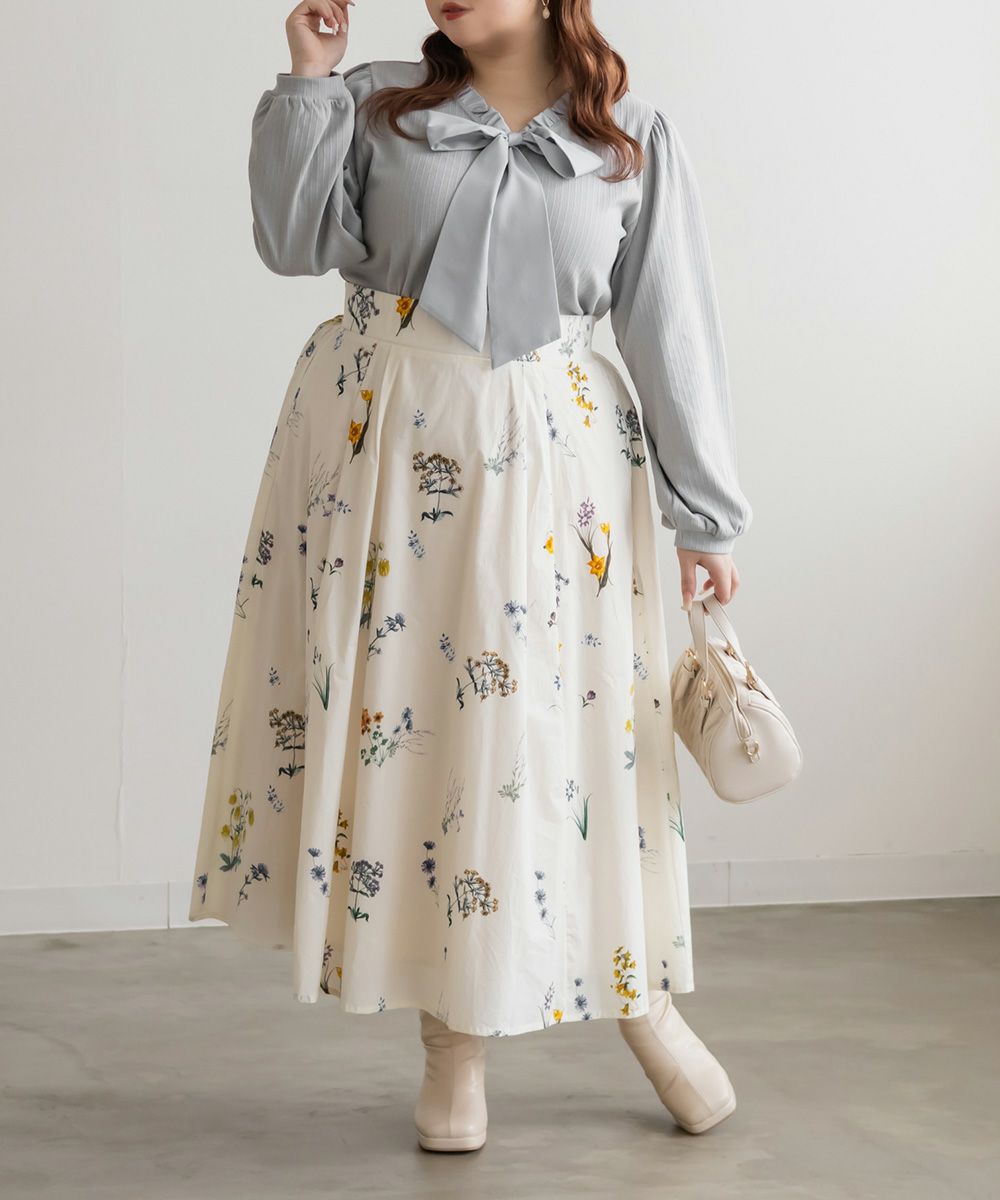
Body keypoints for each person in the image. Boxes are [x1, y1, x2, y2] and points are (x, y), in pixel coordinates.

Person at [188, 0, 752, 1153]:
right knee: (426, 737)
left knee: (577, 737)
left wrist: (706, 518)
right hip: (386, 459)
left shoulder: (629, 135)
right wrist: (308, 76)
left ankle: (642, 1003)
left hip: (560, 468)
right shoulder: (375, 103)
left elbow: (669, 326)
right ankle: (453, 1048)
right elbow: (290, 243)